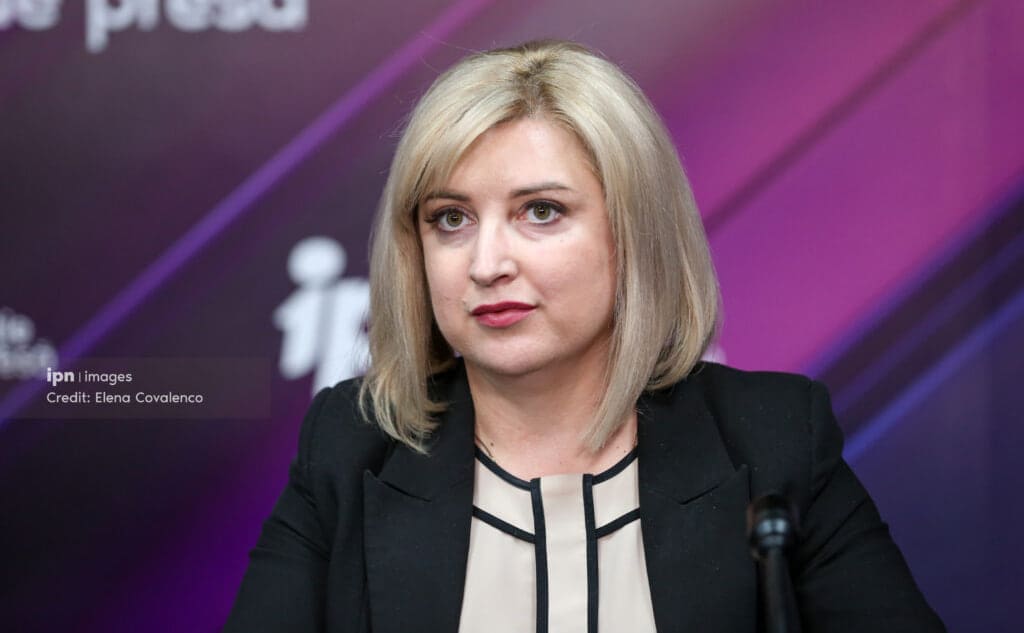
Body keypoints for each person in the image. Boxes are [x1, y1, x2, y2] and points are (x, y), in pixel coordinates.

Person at [225, 40, 945, 633]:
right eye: (451, 219)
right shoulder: (351, 446)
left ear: (634, 234)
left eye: (540, 211)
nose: (486, 264)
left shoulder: (772, 441)